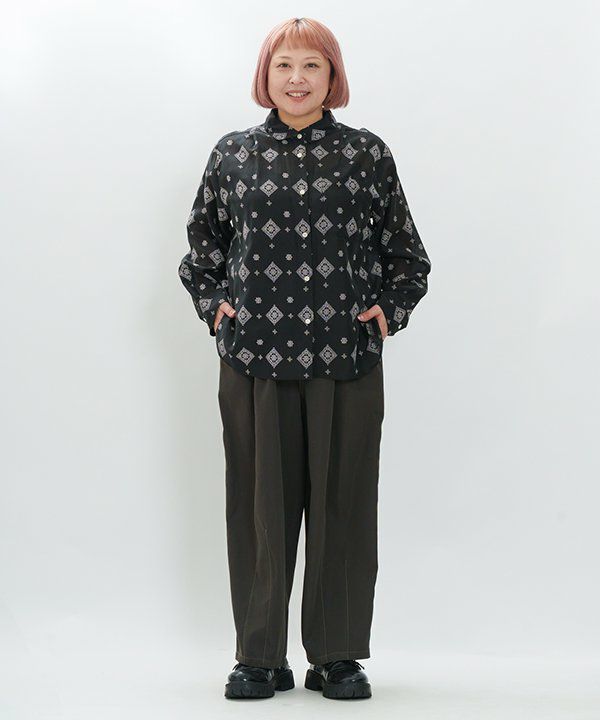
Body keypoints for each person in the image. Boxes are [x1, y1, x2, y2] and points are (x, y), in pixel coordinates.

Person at [178, 16, 431, 701]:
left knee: (343, 506)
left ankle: (336, 656)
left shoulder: (366, 155)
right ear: (265, 75)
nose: (297, 78)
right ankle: (259, 656)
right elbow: (200, 253)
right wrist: (215, 305)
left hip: (345, 359)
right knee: (258, 510)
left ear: (332, 76)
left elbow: (407, 256)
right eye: (284, 65)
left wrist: (390, 308)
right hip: (253, 360)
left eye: (312, 66)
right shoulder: (232, 155)